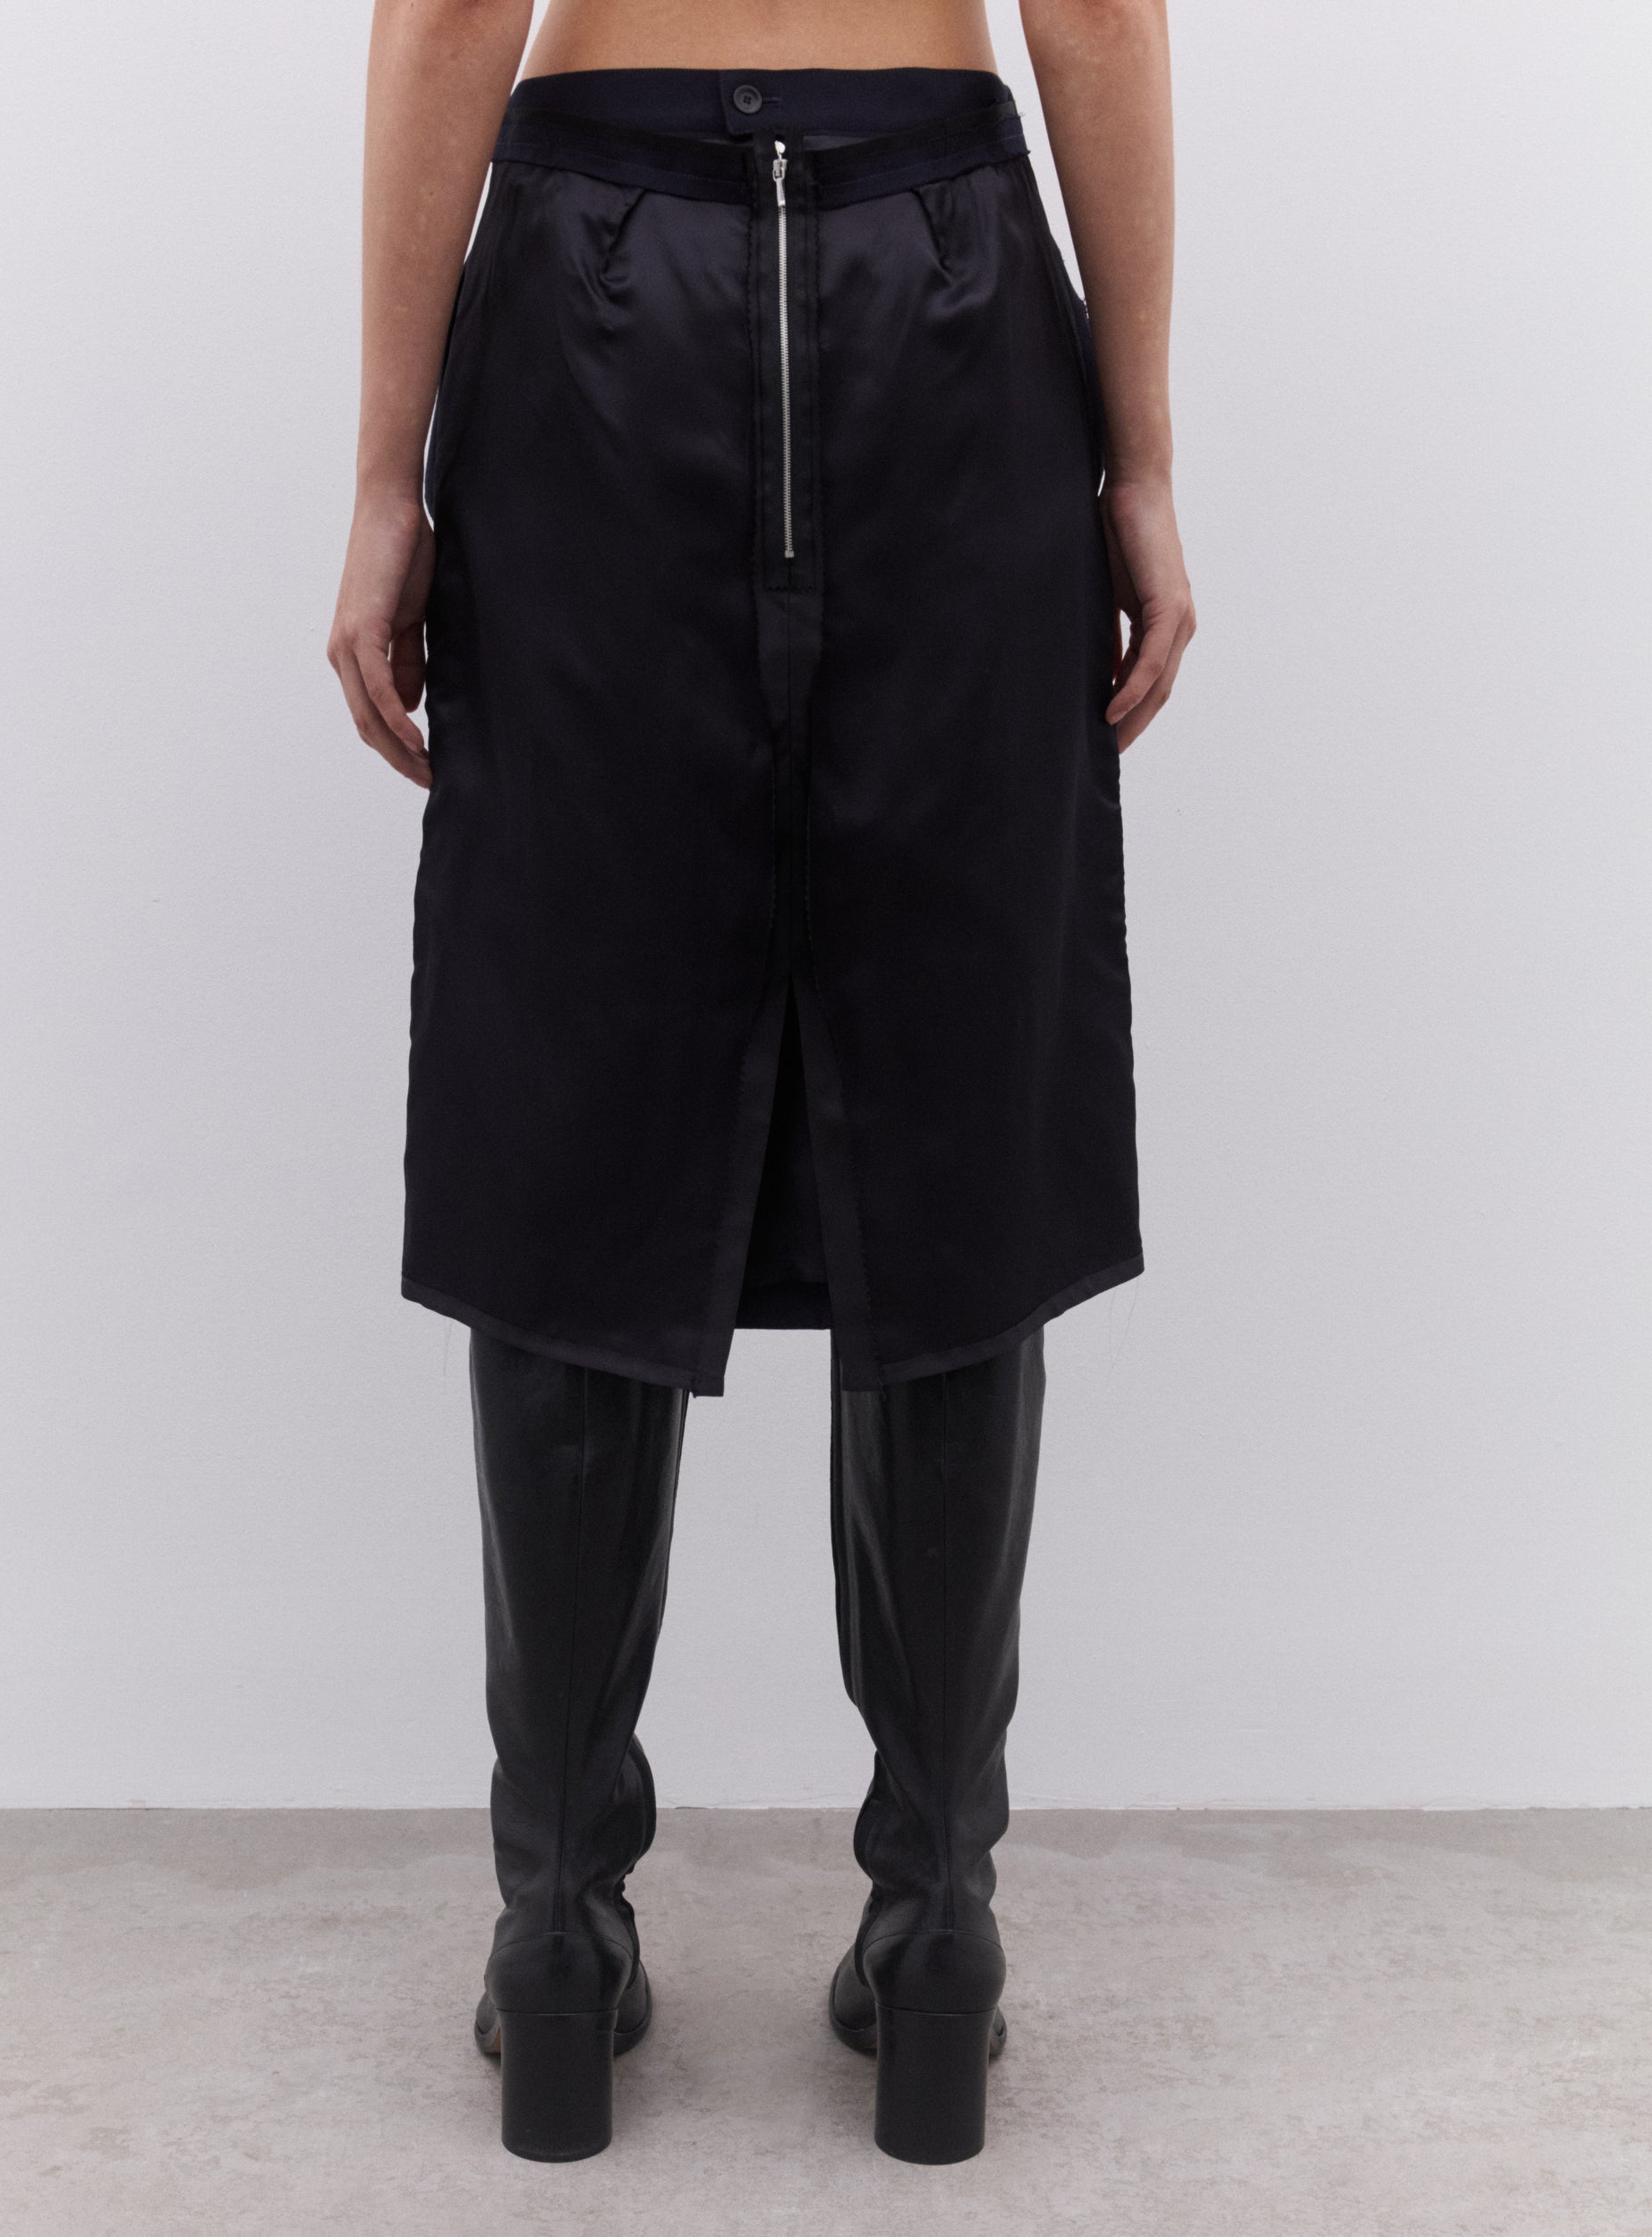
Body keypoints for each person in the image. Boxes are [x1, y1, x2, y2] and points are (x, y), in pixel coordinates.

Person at [328, 0, 1194, 2168]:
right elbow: (1091, 8)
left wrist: (381, 472)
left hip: (598, 288)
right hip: (943, 279)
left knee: (574, 1071)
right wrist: (1140, 456)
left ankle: (556, 1924)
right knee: (948, 1084)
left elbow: (454, 8)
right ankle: (938, 1921)